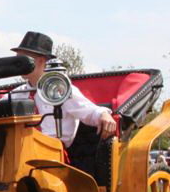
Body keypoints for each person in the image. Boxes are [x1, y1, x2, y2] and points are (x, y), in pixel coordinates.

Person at [11, 32, 116, 175]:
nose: (17, 64)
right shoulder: (16, 94)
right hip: (20, 154)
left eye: (22, 59)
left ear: (40, 61)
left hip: (52, 157)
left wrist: (104, 114)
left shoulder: (60, 89)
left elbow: (88, 110)